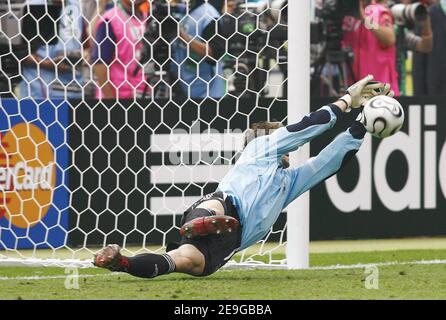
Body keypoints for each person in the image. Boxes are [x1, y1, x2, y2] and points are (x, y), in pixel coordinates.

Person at [93, 75, 394, 278]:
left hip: (228, 242)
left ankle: (123, 262)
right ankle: (196, 224)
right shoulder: (260, 148)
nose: (286, 145)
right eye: (281, 136)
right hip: (225, 207)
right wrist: (346, 102)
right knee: (217, 206)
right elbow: (307, 128)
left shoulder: (287, 184)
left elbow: (327, 163)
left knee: (183, 261)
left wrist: (362, 125)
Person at [19, 0, 85, 100]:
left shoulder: (76, 5)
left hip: (74, 91)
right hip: (39, 95)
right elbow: (17, 53)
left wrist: (84, 53)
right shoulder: (31, 6)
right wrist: (47, 64)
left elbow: (85, 42)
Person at [91, 0, 150, 100]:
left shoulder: (147, 18)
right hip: (118, 99)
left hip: (142, 95)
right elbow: (99, 64)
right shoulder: (111, 19)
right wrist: (111, 102)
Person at [342, 0, 401, 96]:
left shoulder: (379, 10)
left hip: (380, 89)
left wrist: (365, 19)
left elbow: (390, 39)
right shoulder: (347, 14)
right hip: (354, 89)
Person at [171, 0, 227, 99]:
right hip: (187, 90)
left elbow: (214, 53)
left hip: (208, 95)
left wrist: (186, 38)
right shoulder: (188, 11)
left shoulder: (208, 15)